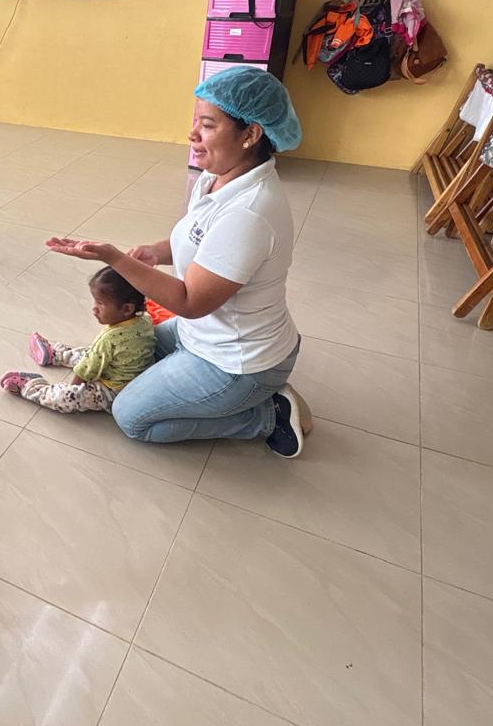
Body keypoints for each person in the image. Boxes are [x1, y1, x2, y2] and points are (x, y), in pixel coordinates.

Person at [45, 66, 313, 457]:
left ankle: (268, 414)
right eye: (195, 122)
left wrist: (114, 258)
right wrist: (155, 253)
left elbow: (191, 301)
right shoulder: (216, 178)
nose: (192, 134)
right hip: (201, 334)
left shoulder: (249, 213)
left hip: (236, 362)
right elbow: (199, 242)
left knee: (131, 416)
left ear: (251, 134)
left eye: (208, 125)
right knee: (129, 347)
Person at [0, 266, 154, 413]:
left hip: (111, 390)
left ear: (127, 309)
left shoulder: (109, 338)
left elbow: (85, 369)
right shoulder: (145, 319)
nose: (94, 308)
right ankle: (55, 355)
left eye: (100, 303)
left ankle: (31, 387)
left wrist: (73, 389)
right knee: (91, 353)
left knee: (66, 398)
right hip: (123, 371)